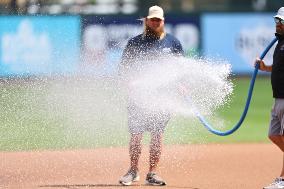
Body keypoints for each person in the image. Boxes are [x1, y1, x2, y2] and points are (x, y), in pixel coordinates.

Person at [118, 5, 184, 186]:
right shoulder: (135, 42)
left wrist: (181, 84)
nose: (155, 22)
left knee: (157, 135)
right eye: (152, 19)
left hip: (162, 98)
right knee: (136, 135)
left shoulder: (173, 43)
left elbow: (180, 69)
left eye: (158, 20)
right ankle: (133, 170)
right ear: (146, 20)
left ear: (163, 21)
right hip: (138, 97)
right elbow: (124, 68)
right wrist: (128, 82)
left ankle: (152, 173)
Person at [256, 7, 284, 189]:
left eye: (281, 21)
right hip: (278, 99)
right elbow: (280, 67)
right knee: (274, 135)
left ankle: (283, 179)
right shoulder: (280, 43)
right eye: (277, 21)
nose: (278, 24)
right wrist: (266, 68)